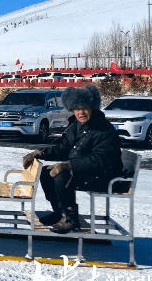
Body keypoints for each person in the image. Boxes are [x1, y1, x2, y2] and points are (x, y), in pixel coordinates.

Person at [22, 84, 122, 233]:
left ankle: (70, 219)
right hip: (87, 171)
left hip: (105, 176)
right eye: (76, 109)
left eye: (84, 108)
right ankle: (59, 212)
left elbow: (100, 160)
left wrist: (69, 166)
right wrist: (40, 153)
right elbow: (64, 148)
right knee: (45, 172)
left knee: (62, 175)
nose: (80, 112)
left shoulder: (103, 129)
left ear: (92, 108)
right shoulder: (77, 126)